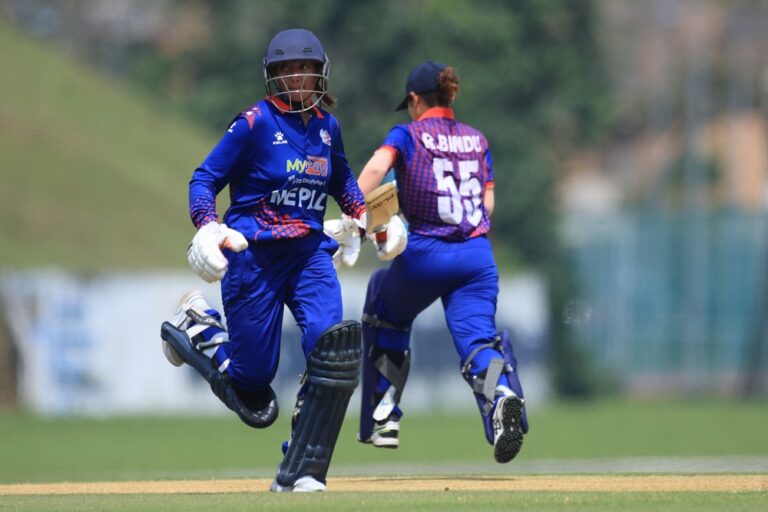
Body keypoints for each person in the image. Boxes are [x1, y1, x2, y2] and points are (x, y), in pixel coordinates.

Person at [159, 28, 403, 492]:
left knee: (332, 350)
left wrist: (372, 220)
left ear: (320, 74)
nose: (296, 77)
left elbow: (343, 182)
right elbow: (204, 178)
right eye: (287, 69)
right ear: (272, 75)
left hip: (309, 255)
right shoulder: (253, 123)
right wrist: (208, 226)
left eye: (305, 69)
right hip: (254, 257)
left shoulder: (328, 127)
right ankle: (200, 327)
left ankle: (302, 466)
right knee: (253, 383)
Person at [355, 61, 530, 463]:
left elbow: (377, 169)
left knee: (384, 307)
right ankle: (501, 393)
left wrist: (353, 211)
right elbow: (487, 204)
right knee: (478, 342)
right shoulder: (477, 138)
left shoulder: (406, 134)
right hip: (476, 257)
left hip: (426, 254)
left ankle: (384, 416)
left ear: (415, 100)